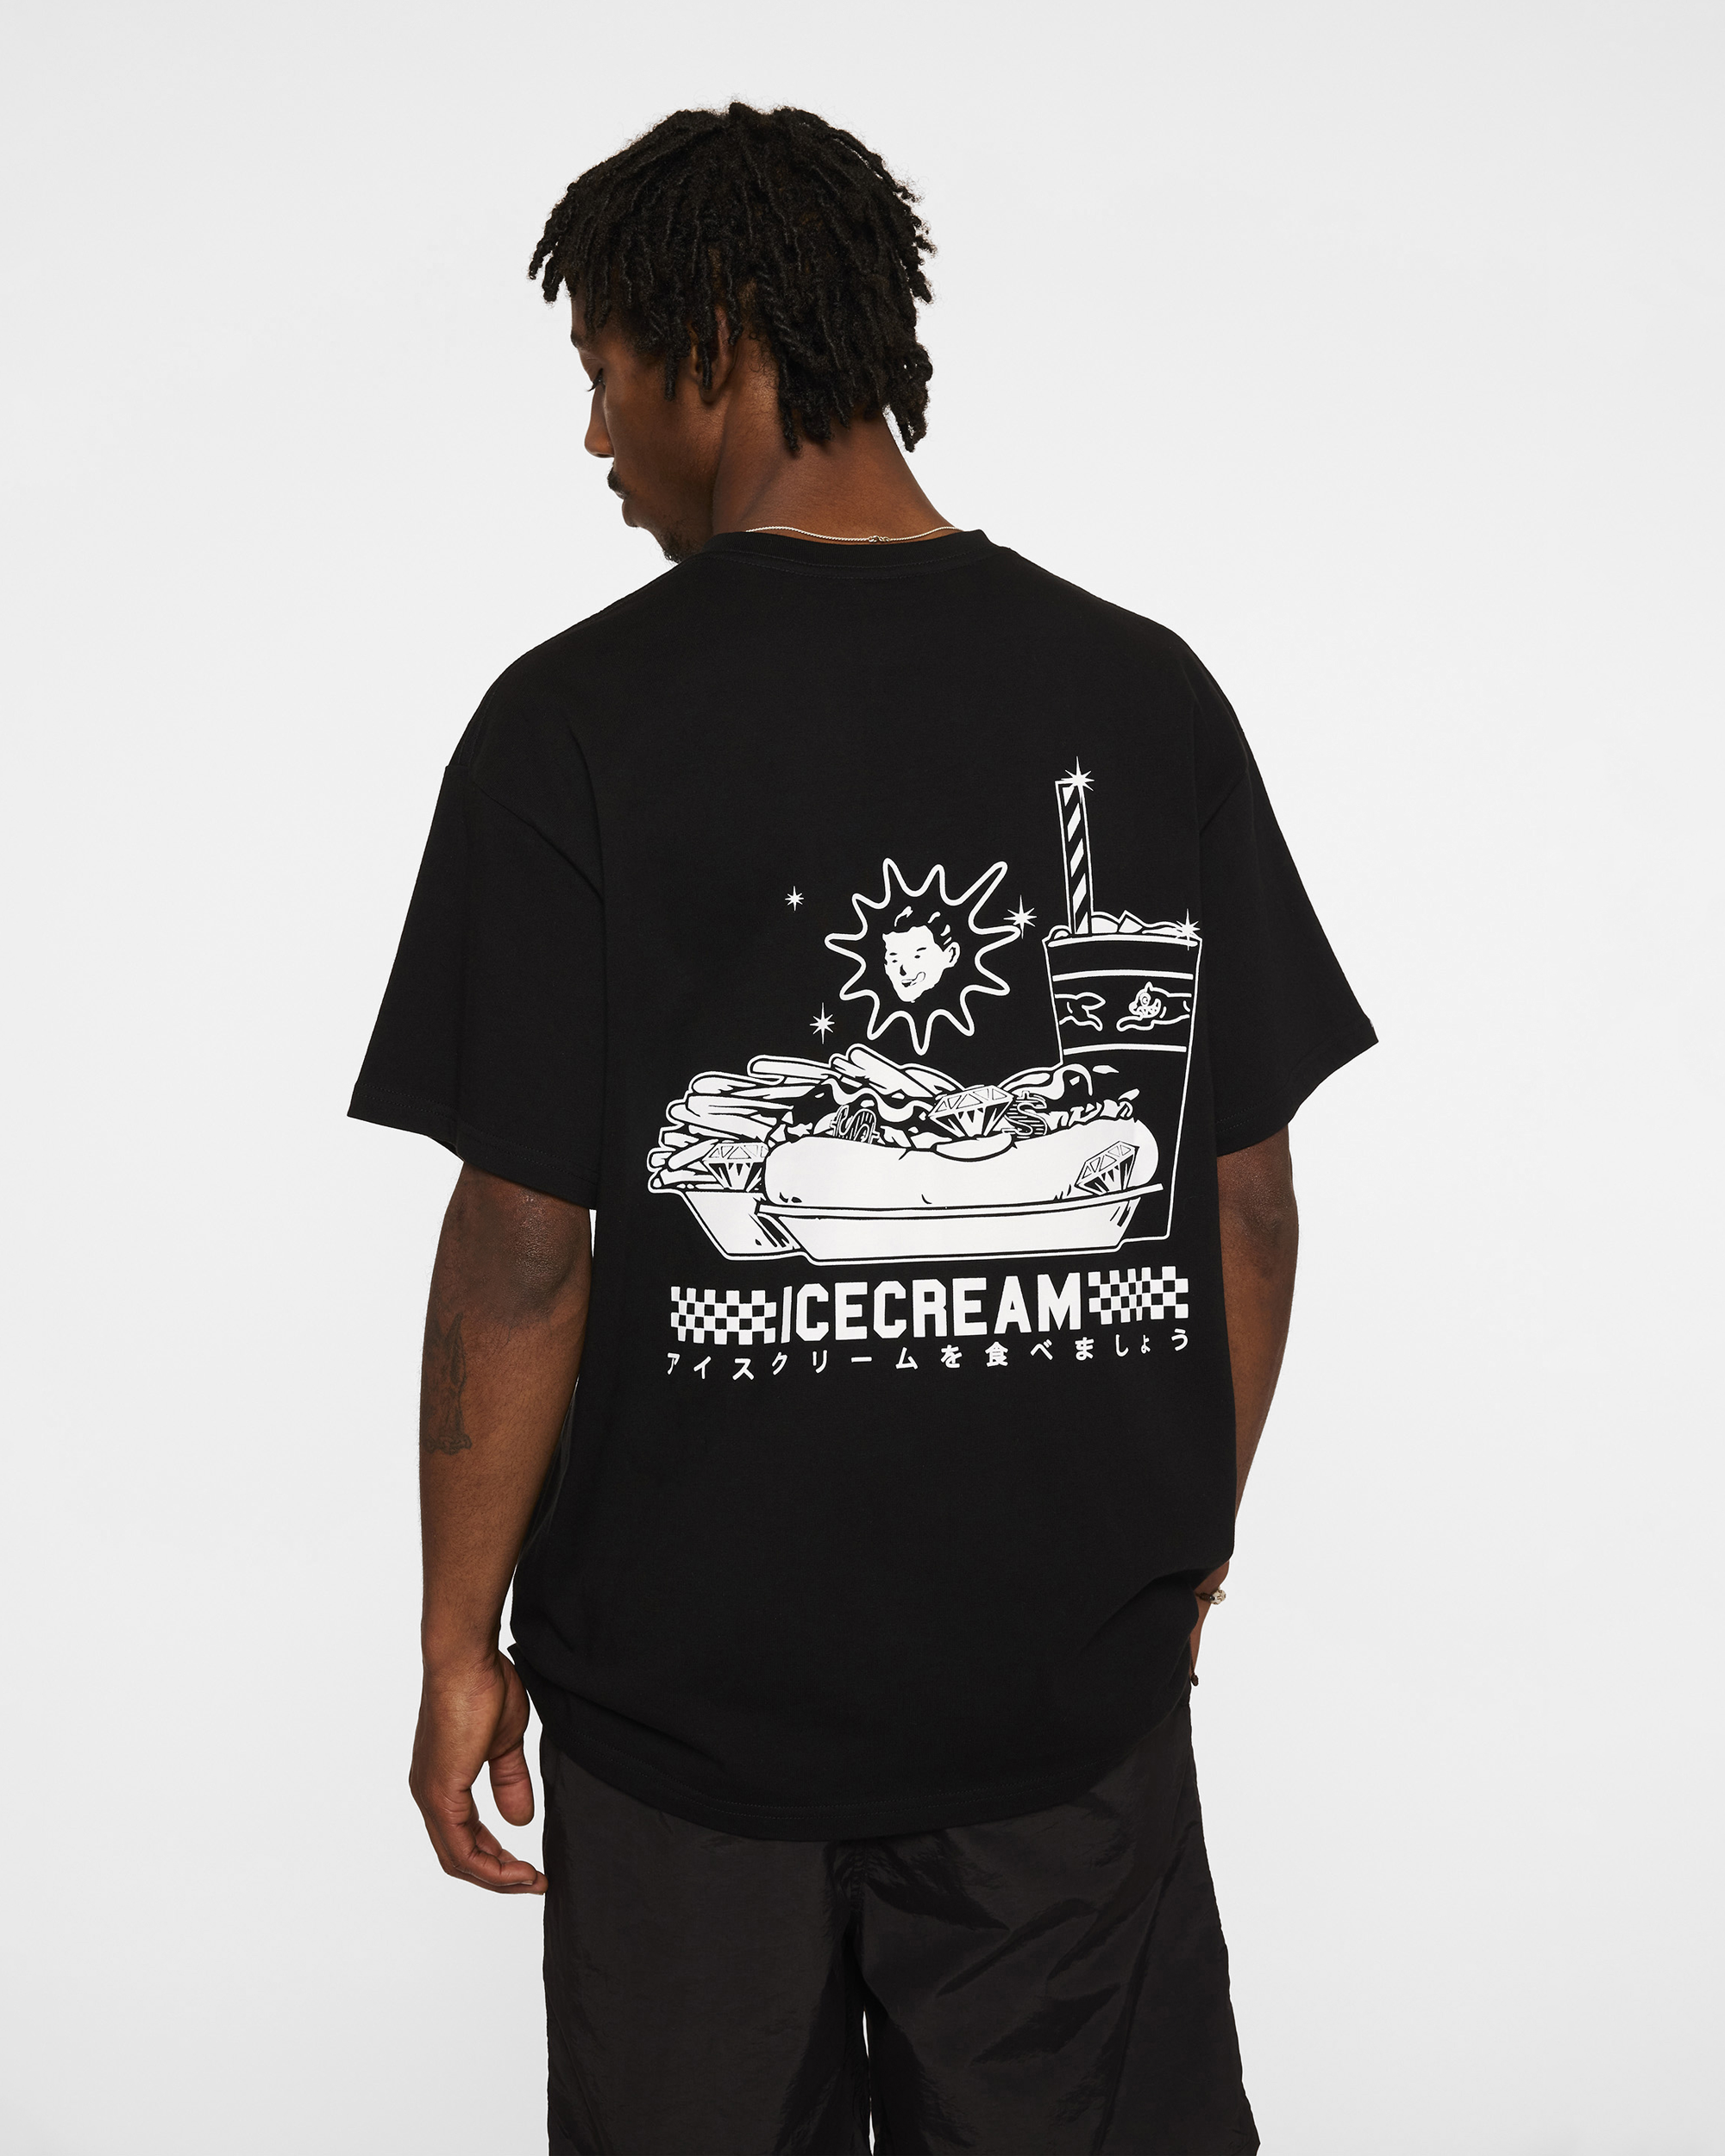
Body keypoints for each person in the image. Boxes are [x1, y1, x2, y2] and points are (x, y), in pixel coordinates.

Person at [350, 101, 1375, 2156]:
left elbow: (526, 1249)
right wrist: (1184, 1537)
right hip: (1058, 1698)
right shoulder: (1140, 693)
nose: (595, 438)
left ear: (715, 341)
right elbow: (1244, 1201)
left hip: (685, 1715)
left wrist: (458, 1635)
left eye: (605, 371)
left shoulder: (574, 722)